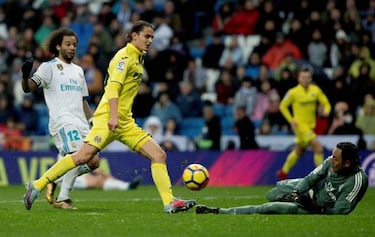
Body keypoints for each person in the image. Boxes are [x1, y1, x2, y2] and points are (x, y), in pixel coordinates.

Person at [23, 21, 196, 213]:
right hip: (108, 118)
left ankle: (169, 202)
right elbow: (113, 88)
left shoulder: (138, 58)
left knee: (159, 155)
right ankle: (38, 185)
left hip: (126, 121)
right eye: (147, 36)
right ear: (134, 36)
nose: (150, 41)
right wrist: (113, 116)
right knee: (82, 157)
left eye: (152, 38)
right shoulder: (123, 57)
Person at [21, 28, 100, 209]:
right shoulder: (48, 67)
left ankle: (53, 179)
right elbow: (29, 88)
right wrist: (25, 76)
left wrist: (91, 120)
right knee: (76, 156)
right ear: (58, 46)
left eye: (74, 45)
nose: (72, 48)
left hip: (81, 122)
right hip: (62, 121)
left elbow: (82, 100)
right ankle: (63, 198)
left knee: (94, 162)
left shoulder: (79, 71)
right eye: (68, 44)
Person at [196, 142, 368, 215]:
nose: (331, 159)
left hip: (317, 208)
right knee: (272, 193)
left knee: (269, 207)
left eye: (336, 158)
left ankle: (219, 211)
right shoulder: (331, 161)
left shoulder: (357, 180)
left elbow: (339, 213)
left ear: (347, 163)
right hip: (310, 193)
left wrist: (315, 207)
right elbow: (310, 179)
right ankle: (295, 198)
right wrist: (297, 193)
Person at [277, 65, 331, 180]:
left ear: (310, 79)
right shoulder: (293, 92)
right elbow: (282, 106)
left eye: (307, 77)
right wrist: (291, 121)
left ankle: (283, 172)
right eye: (303, 77)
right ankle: (321, 176)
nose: (305, 79)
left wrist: (326, 111)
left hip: (311, 126)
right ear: (299, 78)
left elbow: (326, 103)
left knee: (299, 151)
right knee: (318, 147)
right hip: (300, 126)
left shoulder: (315, 90)